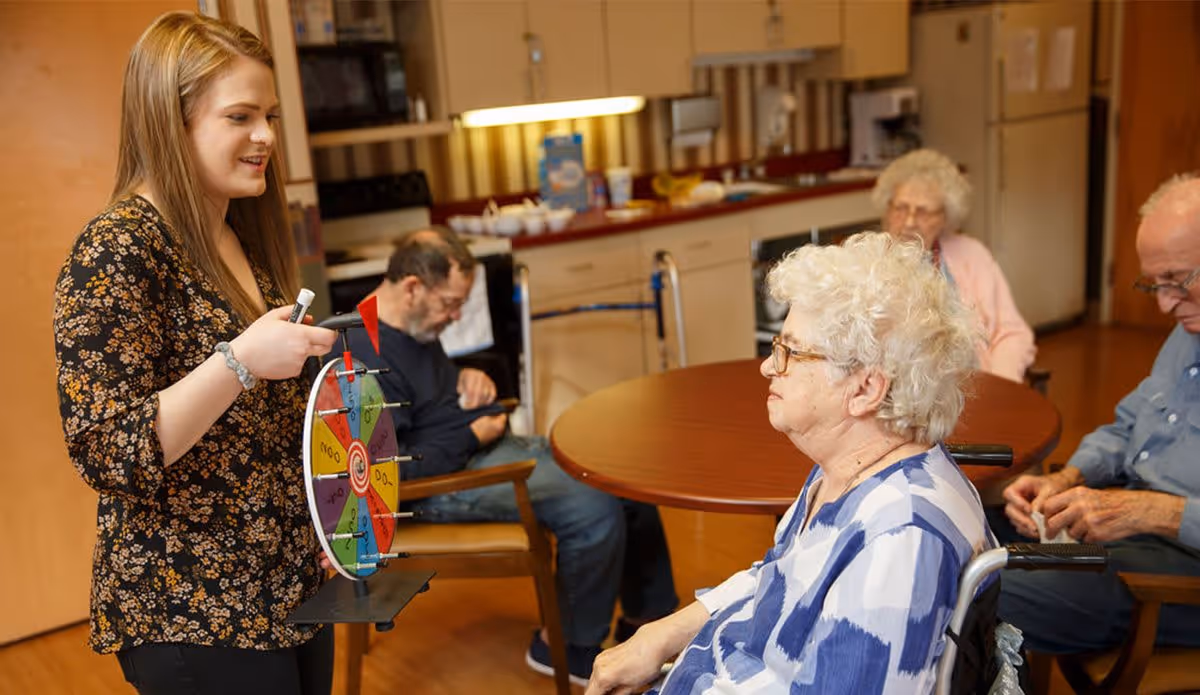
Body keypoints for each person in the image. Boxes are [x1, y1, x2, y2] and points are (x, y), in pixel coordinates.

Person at [53, 12, 337, 695]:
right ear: (167, 123)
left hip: (284, 585)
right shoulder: (116, 250)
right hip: (193, 609)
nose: (266, 135)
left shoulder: (238, 233)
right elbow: (108, 449)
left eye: (269, 114)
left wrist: (322, 526)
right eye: (240, 116)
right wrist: (239, 360)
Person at [586, 232, 994, 694]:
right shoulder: (846, 469)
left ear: (864, 389)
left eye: (790, 353)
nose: (767, 367)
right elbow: (780, 580)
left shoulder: (899, 543)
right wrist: (662, 634)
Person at [339, 227, 678, 686]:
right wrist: (473, 435)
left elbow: (421, 396)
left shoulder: (406, 325)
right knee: (591, 505)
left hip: (483, 452)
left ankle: (651, 629)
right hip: (439, 487)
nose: (456, 318)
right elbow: (385, 471)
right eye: (450, 304)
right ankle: (567, 647)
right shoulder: (359, 351)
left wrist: (464, 377)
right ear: (413, 286)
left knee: (619, 475)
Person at [996, 173, 1200, 654]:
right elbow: (1129, 425)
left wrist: (1155, 512)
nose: (1167, 303)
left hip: (1182, 570)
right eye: (1156, 284)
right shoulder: (1188, 330)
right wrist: (1065, 481)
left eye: (1178, 280)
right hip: (1134, 532)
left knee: (988, 592)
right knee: (966, 528)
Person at [873, 148, 1036, 383]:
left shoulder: (973, 255)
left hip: (975, 389)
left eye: (923, 212)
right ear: (887, 208)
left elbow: (1012, 332)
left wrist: (1000, 384)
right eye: (900, 208)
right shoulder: (868, 264)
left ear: (944, 218)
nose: (909, 222)